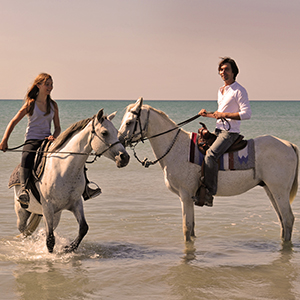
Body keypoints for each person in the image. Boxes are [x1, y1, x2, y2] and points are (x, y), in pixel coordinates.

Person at [0, 73, 100, 206]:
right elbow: (13, 122)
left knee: (73, 155)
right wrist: (4, 140)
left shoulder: (53, 105)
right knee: (27, 156)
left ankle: (86, 188)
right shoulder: (31, 104)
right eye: (47, 84)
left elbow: (58, 127)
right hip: (32, 139)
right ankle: (24, 190)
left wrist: (54, 135)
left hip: (48, 140)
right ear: (38, 85)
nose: (50, 87)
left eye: (51, 84)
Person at [194, 57, 252, 206]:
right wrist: (207, 114)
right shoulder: (221, 91)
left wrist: (224, 115)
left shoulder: (239, 90)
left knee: (211, 155)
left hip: (230, 133)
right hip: (218, 129)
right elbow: (220, 113)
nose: (223, 72)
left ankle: (209, 193)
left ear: (234, 72)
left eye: (226, 69)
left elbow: (246, 114)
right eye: (221, 69)